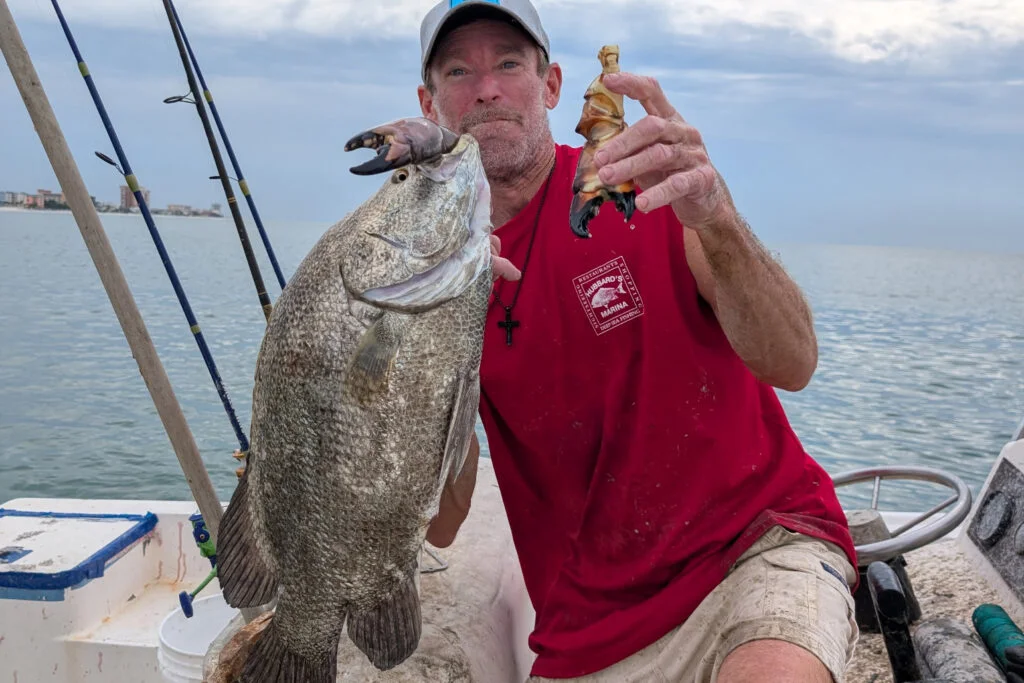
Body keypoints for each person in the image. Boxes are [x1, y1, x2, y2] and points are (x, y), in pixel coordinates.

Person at [417, 1, 860, 681]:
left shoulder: (642, 187)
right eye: (458, 71)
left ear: (553, 85)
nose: (486, 89)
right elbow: (442, 525)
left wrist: (718, 218)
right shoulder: (433, 278)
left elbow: (793, 361)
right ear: (429, 105)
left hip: (754, 550)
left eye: (509, 62)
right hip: (585, 632)